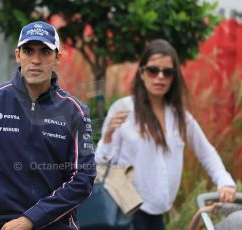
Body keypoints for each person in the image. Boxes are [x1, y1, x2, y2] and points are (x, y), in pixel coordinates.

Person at [0, 21, 96, 230]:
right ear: (17, 55)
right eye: (28, 51)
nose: (36, 60)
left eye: (45, 52)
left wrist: (31, 220)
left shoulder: (75, 112)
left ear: (57, 58)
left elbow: (83, 179)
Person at [95, 39, 236, 230]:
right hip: (126, 210)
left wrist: (224, 182)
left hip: (158, 214)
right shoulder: (123, 109)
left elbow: (207, 153)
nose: (160, 77)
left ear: (174, 77)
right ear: (142, 73)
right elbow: (100, 163)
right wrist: (109, 135)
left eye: (167, 72)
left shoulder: (180, 117)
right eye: (153, 70)